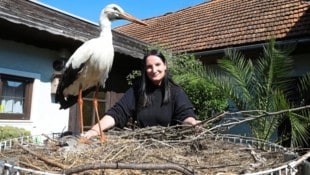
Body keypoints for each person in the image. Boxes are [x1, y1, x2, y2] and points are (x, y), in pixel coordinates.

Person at [83, 49, 199, 139]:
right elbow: (118, 112)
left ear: (165, 65)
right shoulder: (137, 90)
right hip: (142, 147)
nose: (154, 70)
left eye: (158, 65)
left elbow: (186, 116)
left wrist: (191, 124)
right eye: (149, 67)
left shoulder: (176, 92)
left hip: (171, 148)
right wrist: (95, 130)